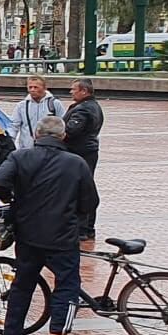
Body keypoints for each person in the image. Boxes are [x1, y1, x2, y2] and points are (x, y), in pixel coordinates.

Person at [0, 115, 99, 335]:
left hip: (27, 234)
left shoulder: (20, 157)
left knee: (23, 283)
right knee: (67, 286)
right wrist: (74, 214)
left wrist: (11, 199)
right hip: (62, 237)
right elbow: (90, 202)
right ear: (63, 136)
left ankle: (11, 333)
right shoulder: (76, 163)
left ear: (37, 135)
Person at [62, 79, 103, 238]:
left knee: (80, 188)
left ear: (84, 91)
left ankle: (83, 229)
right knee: (86, 186)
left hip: (80, 152)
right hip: (88, 150)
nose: (71, 92)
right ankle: (86, 228)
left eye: (74, 89)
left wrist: (59, 131)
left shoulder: (84, 109)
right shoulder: (94, 106)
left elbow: (72, 130)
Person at [9, 76, 64, 151]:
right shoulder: (21, 106)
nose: (32, 90)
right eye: (30, 87)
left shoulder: (55, 104)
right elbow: (14, 126)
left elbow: (62, 125)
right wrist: (10, 143)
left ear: (44, 88)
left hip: (50, 149)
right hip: (27, 149)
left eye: (36, 87)